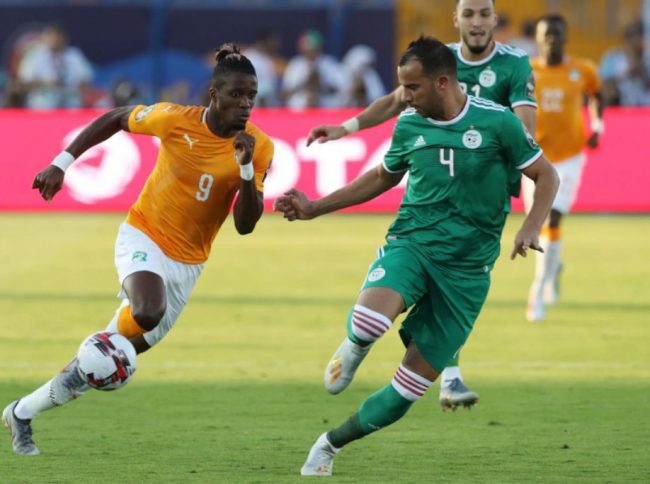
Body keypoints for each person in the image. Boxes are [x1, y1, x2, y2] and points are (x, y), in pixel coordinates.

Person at [274, 36, 559, 477]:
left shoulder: (498, 123)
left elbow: (546, 174)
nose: (404, 98)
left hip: (467, 272)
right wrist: (314, 208)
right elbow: (380, 177)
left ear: (442, 82)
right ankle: (355, 345)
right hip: (414, 243)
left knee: (405, 393)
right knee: (369, 322)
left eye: (412, 87)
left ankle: (329, 444)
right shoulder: (409, 124)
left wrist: (530, 226)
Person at [2, 44, 274, 456]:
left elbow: (245, 225)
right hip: (143, 234)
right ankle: (91, 351)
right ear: (214, 94)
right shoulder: (174, 119)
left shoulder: (258, 146)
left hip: (188, 264)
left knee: (107, 358)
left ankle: (21, 413)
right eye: (237, 94)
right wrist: (62, 163)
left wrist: (246, 168)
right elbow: (115, 117)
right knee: (147, 311)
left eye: (251, 96)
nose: (245, 104)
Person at [304, 0, 538, 411]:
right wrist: (345, 127)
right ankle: (424, 365)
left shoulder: (514, 64)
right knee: (423, 268)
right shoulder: (436, 62)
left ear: (494, 18)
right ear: (456, 18)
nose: (477, 22)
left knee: (454, 283)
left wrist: (492, 140)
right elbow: (396, 100)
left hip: (483, 191)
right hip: (437, 186)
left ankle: (445, 373)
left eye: (484, 13)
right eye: (469, 14)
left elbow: (525, 128)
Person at [524, 15, 604, 322]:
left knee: (553, 216)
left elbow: (597, 93)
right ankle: (553, 266)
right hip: (535, 157)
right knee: (537, 223)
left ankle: (538, 288)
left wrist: (597, 125)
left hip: (570, 157)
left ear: (565, 38)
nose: (551, 40)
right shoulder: (526, 71)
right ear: (538, 39)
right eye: (546, 35)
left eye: (556, 35)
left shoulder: (582, 69)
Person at [17, 24, 93, 109]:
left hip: (71, 103)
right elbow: (24, 84)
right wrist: (46, 84)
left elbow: (86, 80)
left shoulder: (74, 55)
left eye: (58, 37)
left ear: (65, 38)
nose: (55, 40)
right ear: (44, 38)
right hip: (42, 104)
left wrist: (73, 87)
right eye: (51, 37)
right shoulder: (34, 56)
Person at [282, 29, 347, 108]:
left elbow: (343, 91)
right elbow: (286, 93)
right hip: (299, 110)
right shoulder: (295, 65)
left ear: (319, 48)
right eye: (307, 50)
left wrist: (321, 85)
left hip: (327, 109)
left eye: (313, 50)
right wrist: (305, 83)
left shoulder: (330, 65)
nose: (310, 53)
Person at [599, 21, 650, 106]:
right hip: (619, 106)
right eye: (637, 37)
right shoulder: (612, 57)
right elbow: (604, 84)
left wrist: (642, 72)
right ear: (629, 39)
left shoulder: (647, 58)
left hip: (644, 107)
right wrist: (626, 74)